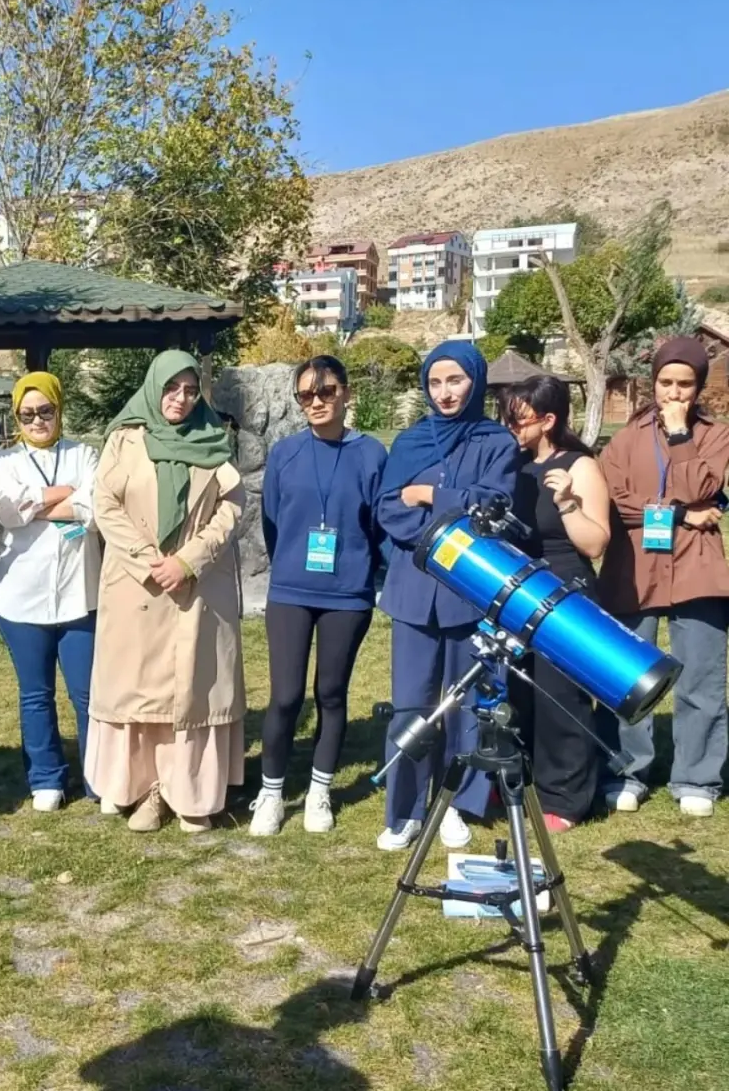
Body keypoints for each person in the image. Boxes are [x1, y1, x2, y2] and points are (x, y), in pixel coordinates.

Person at [85, 350, 246, 833]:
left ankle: (193, 792)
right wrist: (148, 561)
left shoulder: (214, 439)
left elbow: (231, 508)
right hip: (139, 585)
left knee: (193, 689)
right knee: (143, 687)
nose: (180, 398)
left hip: (197, 586)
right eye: (171, 388)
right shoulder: (125, 439)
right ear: (154, 388)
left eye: (190, 389)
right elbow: (104, 504)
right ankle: (147, 789)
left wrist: (188, 561)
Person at [376, 341, 520, 851]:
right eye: (435, 382)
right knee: (411, 703)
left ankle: (454, 804)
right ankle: (406, 809)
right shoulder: (410, 441)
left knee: (465, 703)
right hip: (416, 587)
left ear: (475, 382)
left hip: (472, 589)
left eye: (455, 380)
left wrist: (432, 497)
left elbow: (494, 505)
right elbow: (388, 509)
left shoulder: (495, 441)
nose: (445, 392)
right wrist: (440, 536)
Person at [249, 356, 387, 837]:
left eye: (325, 392)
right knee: (285, 696)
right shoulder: (285, 453)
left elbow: (377, 524)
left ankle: (320, 790)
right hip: (291, 590)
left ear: (346, 393)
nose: (316, 403)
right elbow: (271, 521)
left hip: (347, 594)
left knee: (330, 693)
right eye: (305, 395)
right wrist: (289, 563)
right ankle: (270, 793)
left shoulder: (371, 454)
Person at [596, 337, 729, 818]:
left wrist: (678, 436)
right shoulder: (626, 437)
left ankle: (697, 775)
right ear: (652, 383)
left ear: (698, 388)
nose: (674, 394)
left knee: (701, 677)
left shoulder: (715, 435)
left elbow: (704, 486)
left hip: (698, 566)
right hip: (635, 568)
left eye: (685, 385)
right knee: (629, 673)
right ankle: (625, 770)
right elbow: (614, 500)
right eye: (666, 383)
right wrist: (682, 514)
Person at [0, 371, 100, 811]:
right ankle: (46, 777)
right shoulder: (4, 462)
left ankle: (99, 774)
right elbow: (9, 511)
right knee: (35, 694)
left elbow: (94, 509)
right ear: (17, 416)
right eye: (27, 413)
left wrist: (38, 503)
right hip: (23, 597)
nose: (37, 420)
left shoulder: (85, 454)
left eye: (46, 411)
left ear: (59, 409)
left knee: (87, 694)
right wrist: (66, 495)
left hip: (80, 595)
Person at [503, 375, 611, 831]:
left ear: (548, 420)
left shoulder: (580, 465)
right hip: (519, 588)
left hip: (565, 590)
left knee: (559, 696)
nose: (512, 427)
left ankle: (567, 798)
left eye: (520, 419)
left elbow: (596, 543)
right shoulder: (514, 464)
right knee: (519, 690)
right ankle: (526, 780)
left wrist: (567, 503)